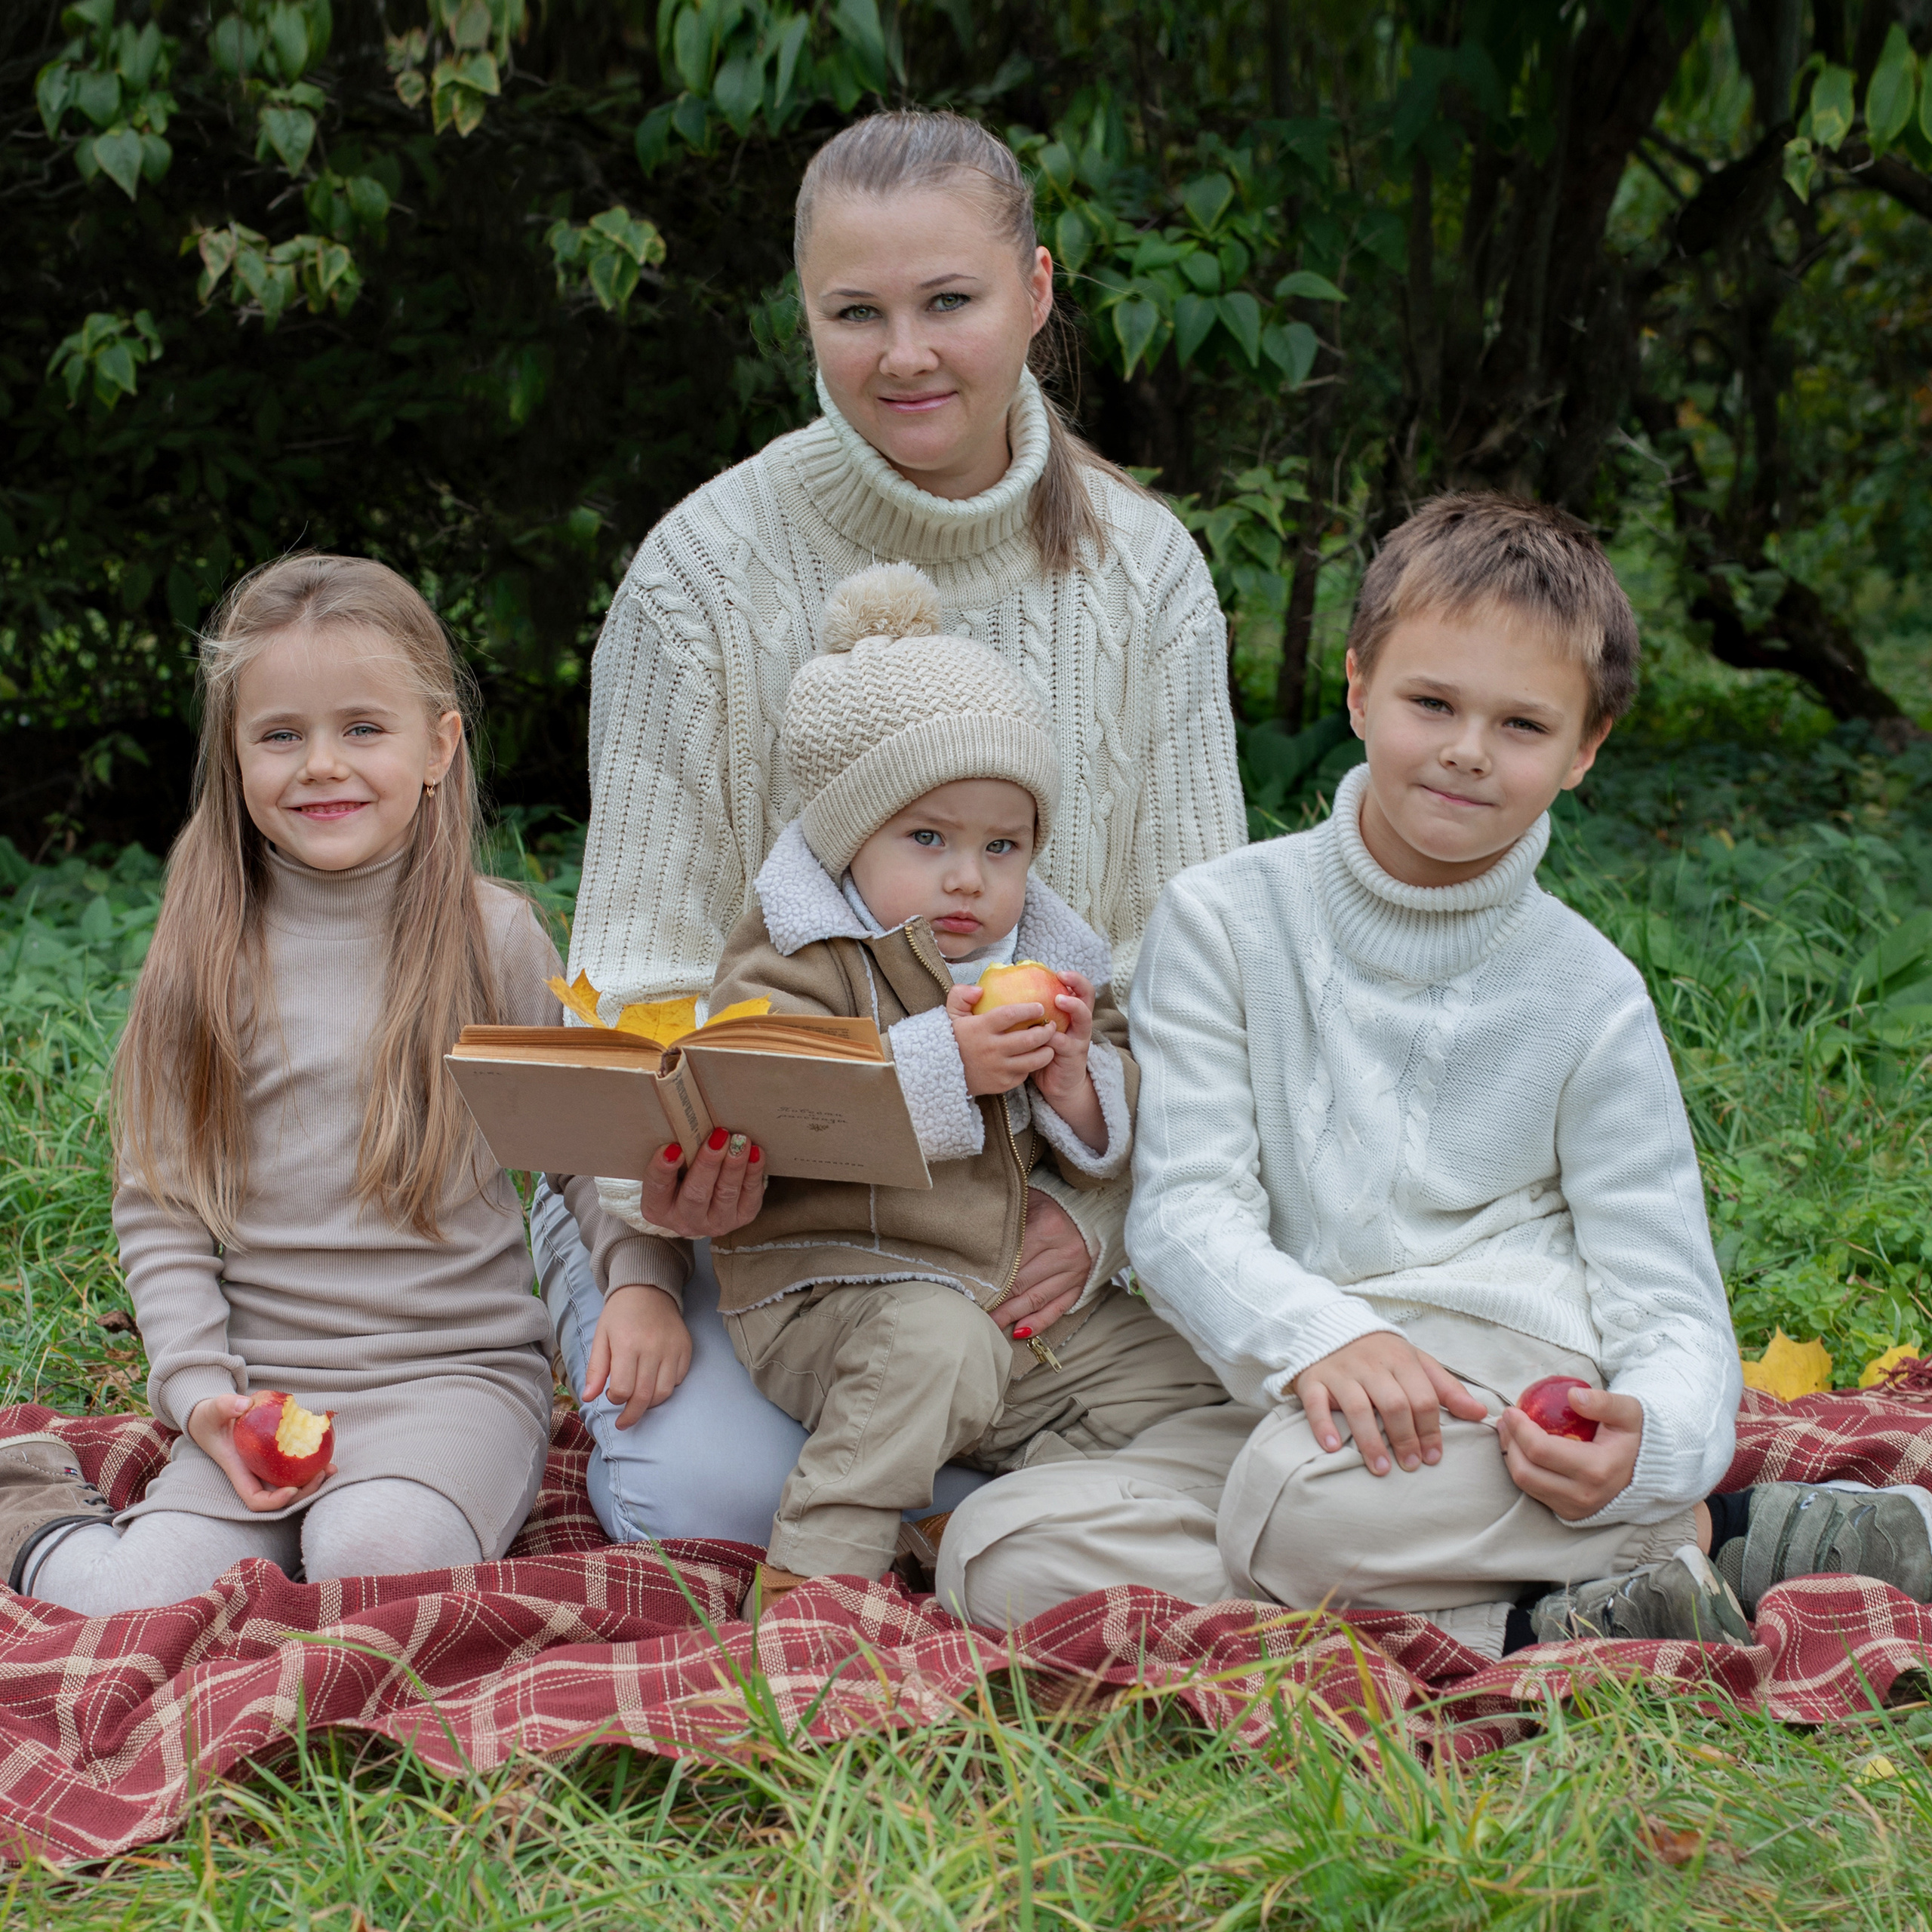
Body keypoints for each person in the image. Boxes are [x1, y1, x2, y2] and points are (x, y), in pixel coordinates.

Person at [932, 494, 1932, 1654]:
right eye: (1431, 703)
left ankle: (1650, 1523)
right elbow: (1186, 1211)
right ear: (1359, 690)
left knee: (1299, 1508)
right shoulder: (1222, 921)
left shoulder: (1588, 993)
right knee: (998, 1553)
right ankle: (1637, 1575)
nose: (1465, 749)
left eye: (1520, 725)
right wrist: (1320, 1339)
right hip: (1305, 1384)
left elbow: (1667, 1293)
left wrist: (1649, 1441)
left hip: (1503, 1393)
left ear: (1584, 751)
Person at [531, 108, 1245, 1549]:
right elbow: (636, 976)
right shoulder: (700, 578)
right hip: (778, 1227)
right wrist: (666, 1205)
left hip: (1050, 1195)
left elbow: (1201, 963)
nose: (904, 354)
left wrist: (1099, 1227)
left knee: (1263, 1407)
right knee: (699, 1499)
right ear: (804, 313)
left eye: (950, 303)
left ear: (1036, 295)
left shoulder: (1144, 572)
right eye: (856, 312)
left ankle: (962, 1492)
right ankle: (985, 1498)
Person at [0, 555, 663, 1611]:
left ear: (439, 745)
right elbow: (163, 1211)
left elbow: (590, 1155)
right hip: (263, 1391)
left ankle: (394, 1517)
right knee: (139, 1602)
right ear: (235, 754)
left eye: (363, 729)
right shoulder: (202, 953)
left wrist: (638, 1281)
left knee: (374, 1560)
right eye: (280, 735)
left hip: (454, 1380)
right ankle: (29, 1516)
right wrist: (203, 1397)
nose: (321, 765)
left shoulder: (492, 940)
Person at [703, 565, 1226, 1603]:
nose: (967, 879)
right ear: (853, 837)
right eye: (928, 839)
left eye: (1003, 846)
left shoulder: (1051, 954)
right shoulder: (804, 951)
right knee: (935, 1347)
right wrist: (945, 1066)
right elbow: (765, 1093)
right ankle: (813, 1596)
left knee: (1199, 1378)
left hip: (1021, 1310)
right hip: (835, 1289)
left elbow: (1125, 1116)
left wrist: (1079, 1082)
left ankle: (985, 1524)